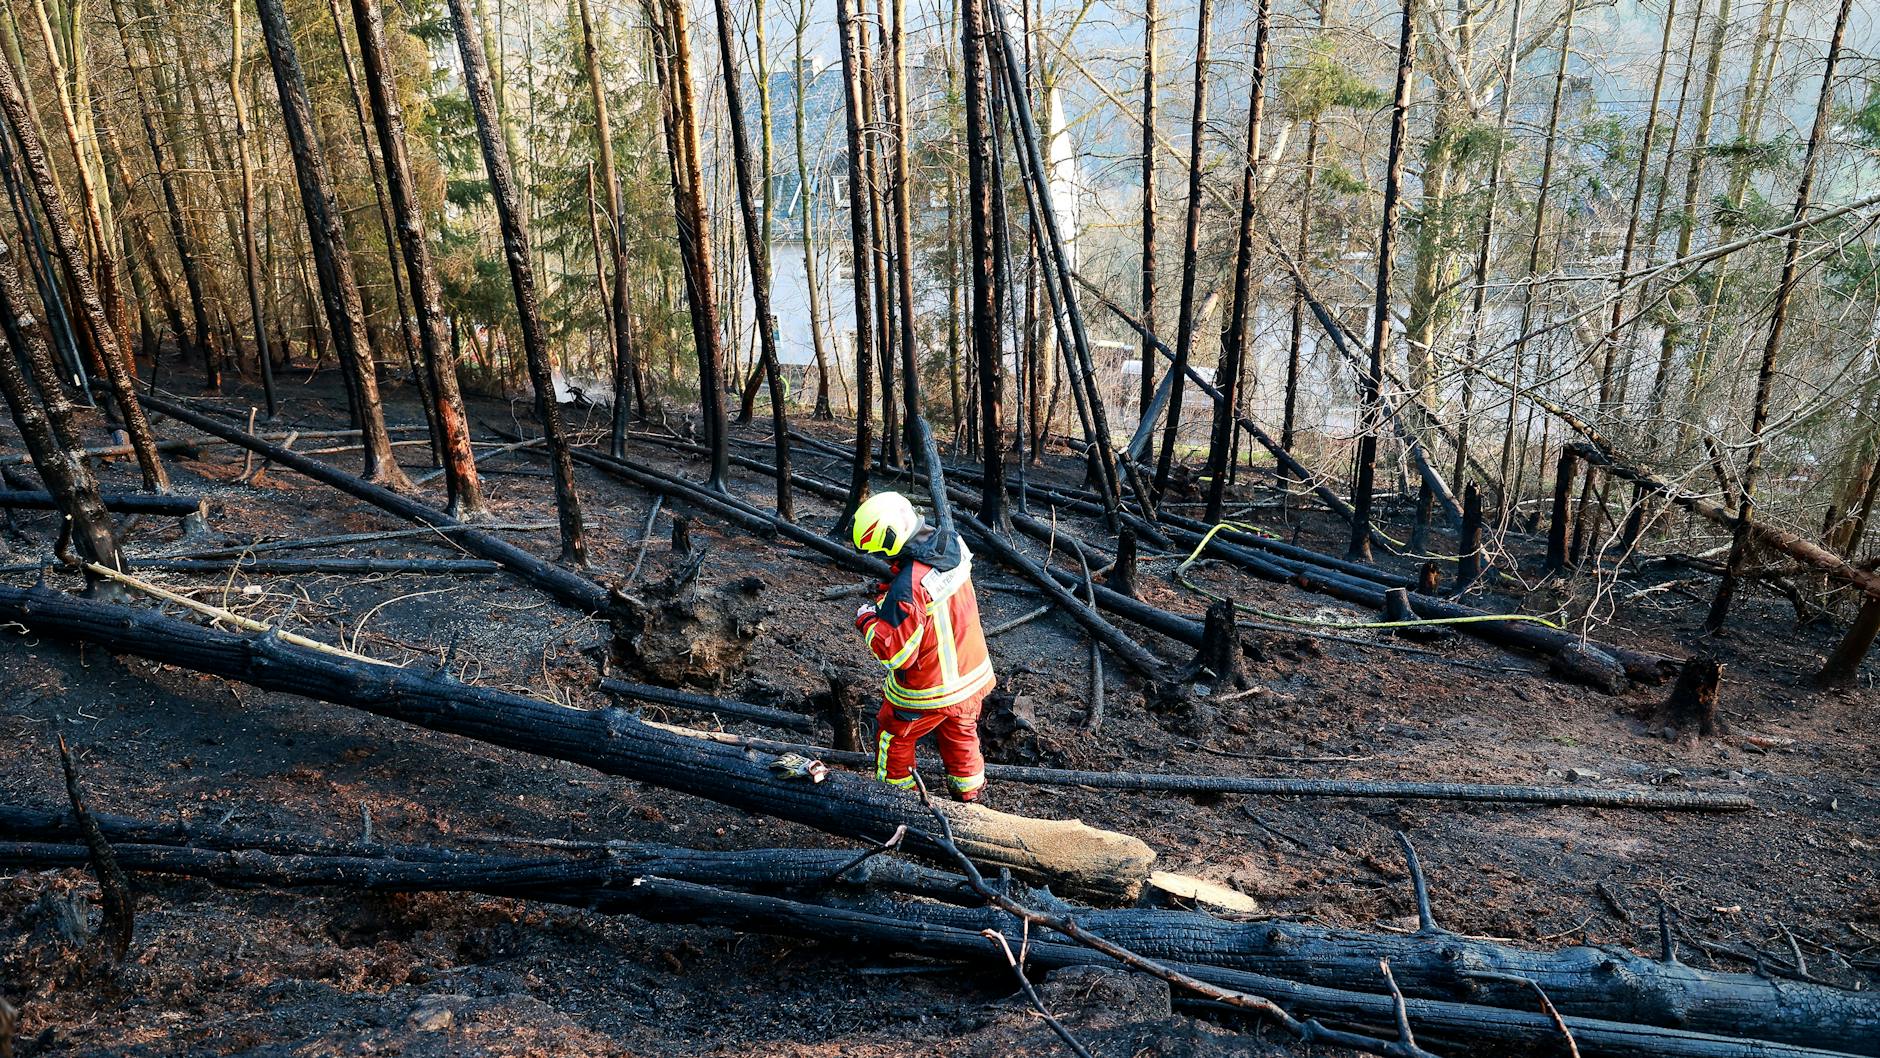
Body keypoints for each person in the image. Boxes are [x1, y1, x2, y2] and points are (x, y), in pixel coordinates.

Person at [849, 491, 996, 804]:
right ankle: (968, 794)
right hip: (971, 675)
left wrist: (867, 621)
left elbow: (895, 653)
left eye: (880, 552)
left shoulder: (909, 586)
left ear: (889, 541)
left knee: (894, 733)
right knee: (961, 730)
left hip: (930, 689)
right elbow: (937, 605)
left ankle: (896, 796)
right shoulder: (951, 544)